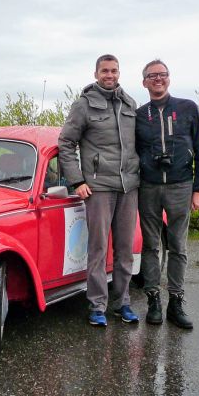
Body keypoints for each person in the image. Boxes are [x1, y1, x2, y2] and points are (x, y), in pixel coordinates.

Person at [59, 54, 141, 327]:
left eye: (114, 70)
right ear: (96, 74)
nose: (110, 75)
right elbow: (66, 144)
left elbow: (139, 144)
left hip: (128, 187)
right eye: (105, 70)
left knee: (125, 250)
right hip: (98, 188)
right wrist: (77, 181)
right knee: (98, 248)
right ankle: (97, 306)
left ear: (119, 72)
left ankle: (123, 303)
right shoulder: (83, 105)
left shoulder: (130, 103)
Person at [135, 59, 199, 329]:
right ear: (144, 82)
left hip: (181, 185)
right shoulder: (139, 115)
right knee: (150, 245)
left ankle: (176, 303)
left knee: (178, 246)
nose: (158, 79)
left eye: (162, 75)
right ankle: (153, 300)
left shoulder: (187, 108)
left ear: (169, 78)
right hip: (149, 187)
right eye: (152, 76)